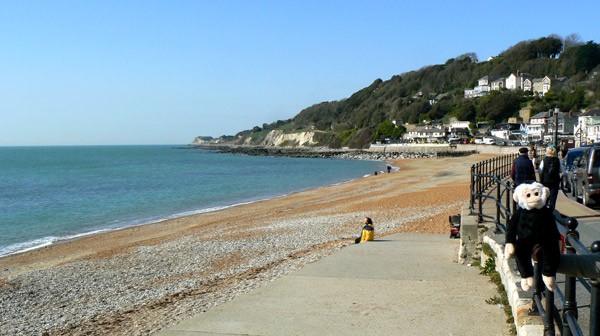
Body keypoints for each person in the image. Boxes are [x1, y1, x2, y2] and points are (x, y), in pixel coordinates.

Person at [539, 146, 562, 210]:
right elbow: (561, 170)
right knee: (553, 197)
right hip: (555, 181)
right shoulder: (557, 160)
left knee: (545, 196)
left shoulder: (544, 161)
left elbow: (540, 171)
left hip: (545, 181)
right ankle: (552, 209)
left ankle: (545, 210)